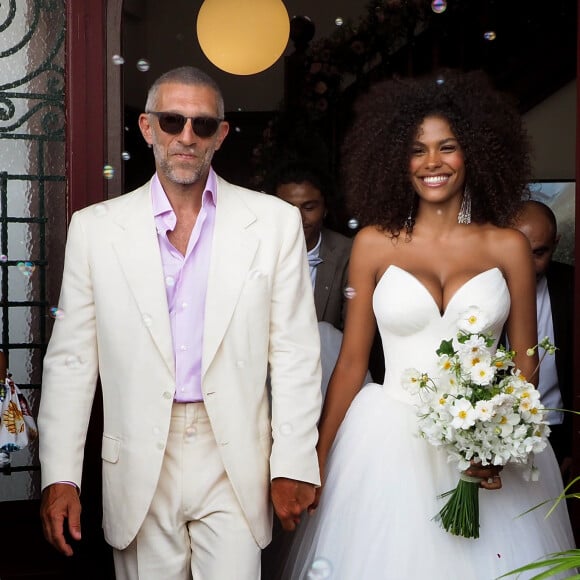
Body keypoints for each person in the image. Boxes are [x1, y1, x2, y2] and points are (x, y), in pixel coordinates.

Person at [283, 70, 575, 579]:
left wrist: (495, 441)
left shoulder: (508, 247)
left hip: (484, 451)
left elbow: (525, 365)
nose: (433, 163)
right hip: (386, 443)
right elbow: (352, 363)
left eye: (448, 147)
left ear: (474, 154)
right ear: (399, 159)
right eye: (418, 150)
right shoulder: (373, 244)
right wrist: (318, 456)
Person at [38, 66, 322, 580]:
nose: (186, 137)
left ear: (221, 135)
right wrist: (60, 476)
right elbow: (73, 362)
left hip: (235, 453)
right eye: (172, 121)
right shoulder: (96, 230)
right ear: (147, 128)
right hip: (139, 453)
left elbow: (296, 355)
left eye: (202, 124)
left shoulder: (275, 223)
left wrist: (293, 463)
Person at [513, 200, 575, 475]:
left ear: (556, 243)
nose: (526, 265)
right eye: (518, 252)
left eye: (539, 253)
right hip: (495, 429)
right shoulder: (483, 291)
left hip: (560, 432)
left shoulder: (572, 285)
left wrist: (574, 448)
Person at [267, 161, 352, 330]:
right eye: (287, 207)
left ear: (325, 209)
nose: (297, 217)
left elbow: (352, 330)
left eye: (309, 207)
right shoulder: (255, 249)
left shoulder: (346, 253)